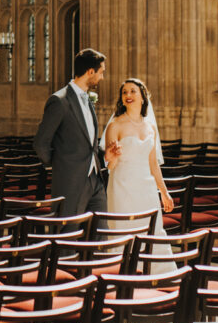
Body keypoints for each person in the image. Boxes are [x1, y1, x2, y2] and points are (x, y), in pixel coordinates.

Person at [33, 48, 118, 217]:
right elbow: (40, 143)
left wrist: (103, 155)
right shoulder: (59, 101)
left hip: (96, 181)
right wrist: (62, 166)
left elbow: (87, 143)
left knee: (100, 234)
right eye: (101, 72)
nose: (102, 77)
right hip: (69, 182)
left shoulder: (88, 99)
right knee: (67, 235)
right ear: (90, 72)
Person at [103, 78, 176, 271]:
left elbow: (153, 163)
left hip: (147, 189)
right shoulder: (115, 126)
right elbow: (111, 166)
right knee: (124, 232)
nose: (128, 95)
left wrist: (164, 192)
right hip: (123, 186)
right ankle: (123, 279)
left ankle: (156, 275)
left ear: (143, 97)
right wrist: (109, 157)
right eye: (124, 92)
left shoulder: (150, 126)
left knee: (152, 231)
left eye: (133, 91)